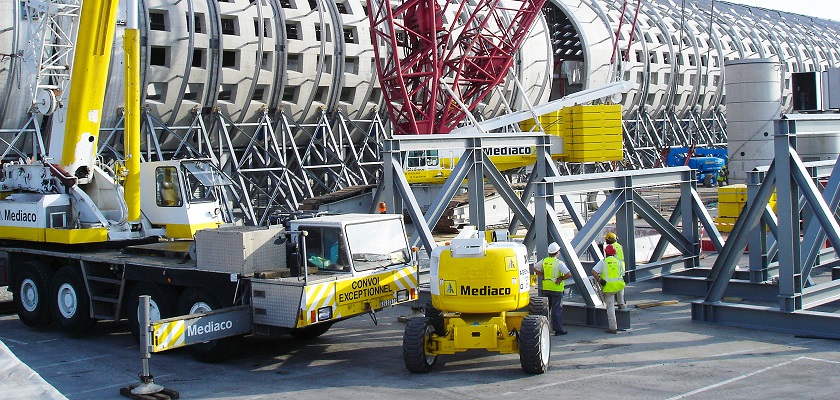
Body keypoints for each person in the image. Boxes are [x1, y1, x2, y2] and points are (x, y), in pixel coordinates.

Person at [534, 242, 572, 336]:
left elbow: (534, 268)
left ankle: (543, 329)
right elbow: (568, 274)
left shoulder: (544, 261)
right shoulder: (558, 263)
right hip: (556, 289)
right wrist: (561, 279)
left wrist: (543, 275)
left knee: (546, 309)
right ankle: (558, 330)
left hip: (546, 288)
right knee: (556, 310)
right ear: (557, 252)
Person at [591, 244, 626, 334]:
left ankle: (613, 328)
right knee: (621, 289)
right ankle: (621, 303)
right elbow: (622, 275)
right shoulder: (618, 262)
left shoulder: (603, 262)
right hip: (619, 286)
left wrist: (599, 279)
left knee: (610, 307)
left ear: (605, 253)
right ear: (614, 253)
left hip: (608, 288)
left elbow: (593, 271)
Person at [604, 232, 626, 309]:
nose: (606, 241)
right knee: (620, 283)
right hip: (621, 266)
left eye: (607, 239)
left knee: (612, 282)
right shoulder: (619, 246)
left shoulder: (611, 247)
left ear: (610, 240)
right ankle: (621, 302)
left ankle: (612, 301)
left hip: (614, 266)